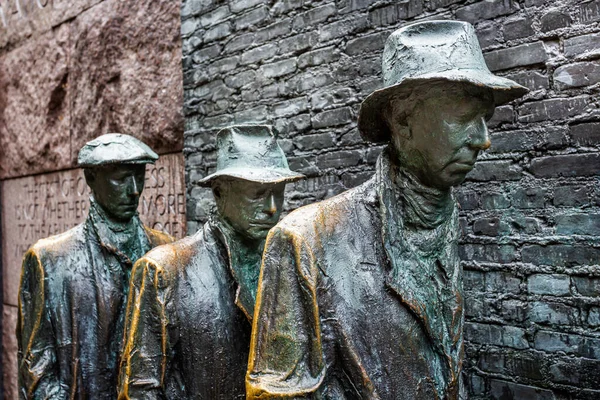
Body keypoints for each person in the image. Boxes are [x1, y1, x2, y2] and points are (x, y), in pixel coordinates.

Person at [246, 21, 528, 399]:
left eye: (485, 119)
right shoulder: (305, 241)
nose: (483, 140)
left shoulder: (445, 220)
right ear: (402, 121)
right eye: (463, 118)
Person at [118, 125, 304, 399]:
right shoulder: (164, 271)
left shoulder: (293, 263)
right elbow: (141, 388)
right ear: (219, 192)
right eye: (258, 193)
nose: (272, 208)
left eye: (278, 192)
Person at [17, 134, 173, 399]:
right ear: (91, 178)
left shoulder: (165, 250)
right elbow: (36, 370)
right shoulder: (48, 260)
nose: (134, 189)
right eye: (121, 178)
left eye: (139, 176)